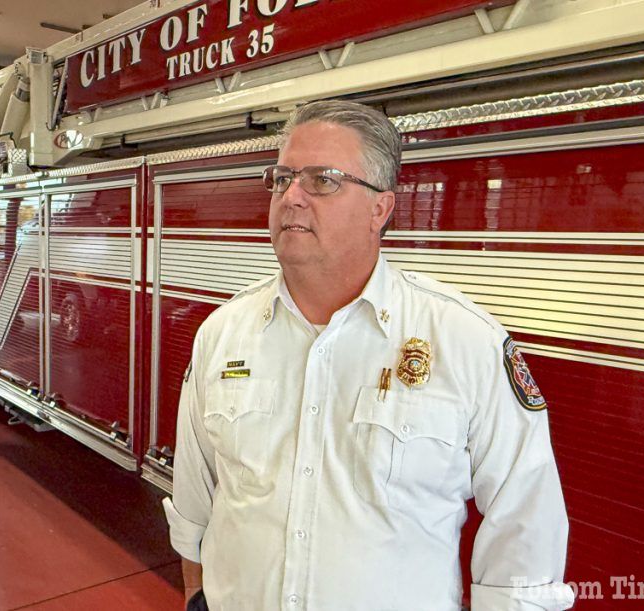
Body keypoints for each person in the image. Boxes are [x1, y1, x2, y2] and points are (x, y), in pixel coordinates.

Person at [163, 100, 575, 611]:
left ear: (380, 209)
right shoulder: (222, 335)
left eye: (323, 180)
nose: (292, 196)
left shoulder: (465, 342)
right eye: (282, 178)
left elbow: (525, 526)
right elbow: (196, 502)